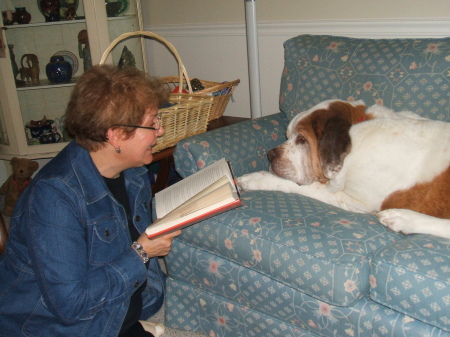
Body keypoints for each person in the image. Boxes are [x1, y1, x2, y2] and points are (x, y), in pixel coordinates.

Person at [0, 65, 181, 337]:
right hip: (63, 327)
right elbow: (71, 304)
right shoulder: (54, 197)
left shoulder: (131, 172)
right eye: (153, 123)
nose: (161, 130)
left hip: (117, 312)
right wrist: (142, 252)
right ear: (116, 134)